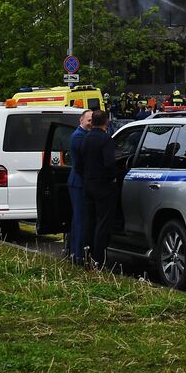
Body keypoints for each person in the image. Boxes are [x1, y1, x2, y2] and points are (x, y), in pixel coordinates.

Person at [67, 109, 117, 267]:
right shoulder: (105, 139)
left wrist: (88, 177)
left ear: (93, 121)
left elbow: (79, 165)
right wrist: (112, 178)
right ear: (106, 123)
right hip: (102, 186)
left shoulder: (86, 138)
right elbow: (109, 164)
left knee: (88, 221)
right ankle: (96, 258)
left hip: (87, 185)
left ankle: (84, 255)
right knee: (101, 222)